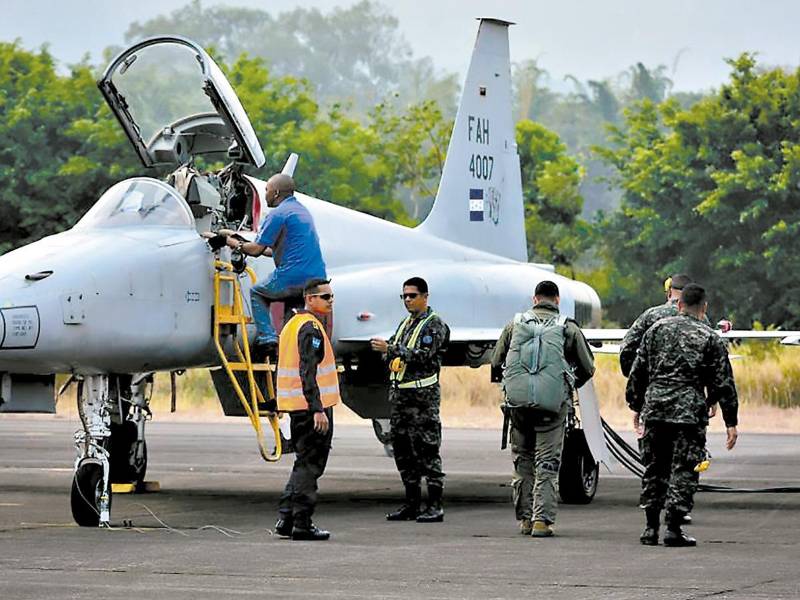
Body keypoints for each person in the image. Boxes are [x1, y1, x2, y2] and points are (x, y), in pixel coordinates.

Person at [626, 283, 738, 547]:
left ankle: (650, 528)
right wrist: (730, 420)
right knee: (685, 468)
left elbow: (638, 371)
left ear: (678, 304)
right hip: (688, 411)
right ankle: (674, 528)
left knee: (655, 466)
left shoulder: (655, 330)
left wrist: (636, 405)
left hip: (656, 407)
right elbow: (723, 381)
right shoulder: (709, 337)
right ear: (704, 308)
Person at [491, 280, 595, 538]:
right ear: (557, 300)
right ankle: (542, 521)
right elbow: (588, 367)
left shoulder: (514, 324)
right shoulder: (568, 328)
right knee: (547, 464)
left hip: (518, 408)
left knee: (522, 462)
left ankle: (524, 519)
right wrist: (568, 384)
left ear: (534, 299)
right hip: (552, 409)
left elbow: (496, 362)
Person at [205, 174, 327, 356]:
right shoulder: (301, 211)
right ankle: (290, 348)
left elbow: (255, 250)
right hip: (315, 279)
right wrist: (236, 236)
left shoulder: (278, 214)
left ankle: (268, 338)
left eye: (267, 190)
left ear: (276, 192)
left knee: (257, 292)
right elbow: (272, 250)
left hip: (293, 276)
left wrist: (227, 241)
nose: (265, 193)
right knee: (293, 318)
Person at [370, 277, 450, 523]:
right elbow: (397, 347)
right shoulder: (406, 324)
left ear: (425, 296)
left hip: (422, 401)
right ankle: (412, 504)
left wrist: (391, 350)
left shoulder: (434, 325)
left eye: (412, 295)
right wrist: (389, 354)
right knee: (403, 452)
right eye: (404, 296)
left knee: (427, 451)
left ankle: (435, 505)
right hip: (402, 399)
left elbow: (424, 356)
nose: (407, 300)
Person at [273, 278, 339, 541]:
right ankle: (302, 523)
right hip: (310, 409)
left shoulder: (292, 324)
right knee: (311, 466)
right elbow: (307, 371)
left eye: (332, 297)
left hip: (298, 407)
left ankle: (286, 518)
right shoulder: (310, 328)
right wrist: (318, 409)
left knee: (302, 463)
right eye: (325, 297)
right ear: (310, 299)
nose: (330, 301)